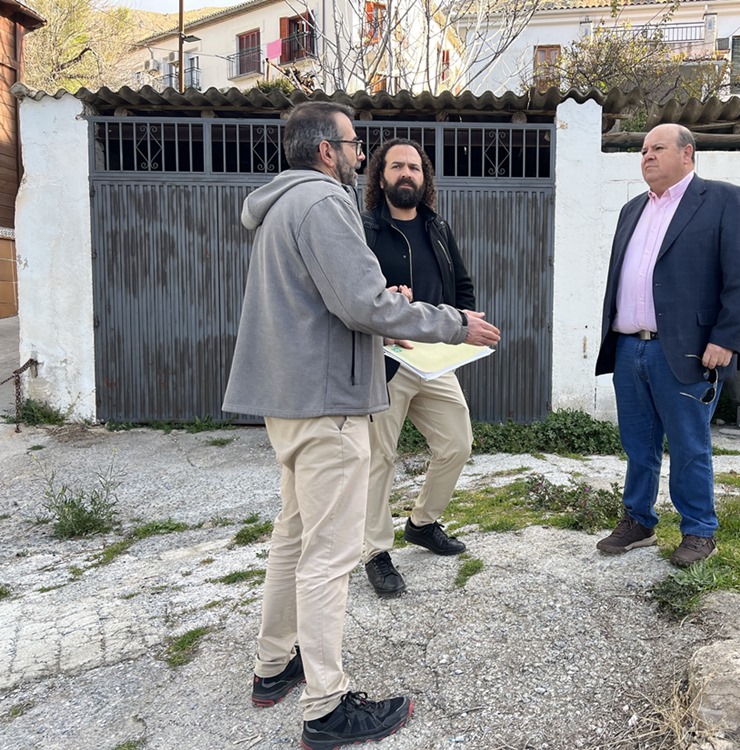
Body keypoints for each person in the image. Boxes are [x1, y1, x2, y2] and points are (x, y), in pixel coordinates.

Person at [222, 102, 500, 750]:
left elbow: (337, 299)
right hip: (328, 406)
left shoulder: (283, 206)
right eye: (353, 143)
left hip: (291, 403)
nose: (359, 153)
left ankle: (274, 665)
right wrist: (454, 322)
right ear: (326, 150)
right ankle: (327, 706)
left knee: (293, 538)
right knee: (328, 556)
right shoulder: (324, 204)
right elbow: (362, 305)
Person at [594, 123, 740, 567]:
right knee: (637, 444)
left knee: (689, 444)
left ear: (687, 154)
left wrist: (725, 339)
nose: (646, 156)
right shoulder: (632, 209)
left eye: (658, 148)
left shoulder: (723, 199)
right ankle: (639, 521)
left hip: (686, 349)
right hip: (630, 347)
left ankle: (699, 531)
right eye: (644, 150)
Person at [359, 138, 477, 598]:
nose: (406, 174)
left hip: (434, 359)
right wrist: (390, 303)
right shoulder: (365, 228)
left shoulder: (438, 227)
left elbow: (462, 286)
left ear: (424, 176)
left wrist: (463, 331)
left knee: (457, 443)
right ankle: (374, 551)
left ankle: (422, 523)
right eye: (396, 167)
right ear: (381, 176)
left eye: (414, 167)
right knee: (378, 459)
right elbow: (356, 296)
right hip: (383, 360)